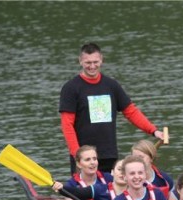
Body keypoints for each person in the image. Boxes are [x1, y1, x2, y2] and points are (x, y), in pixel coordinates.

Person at [59, 42, 166, 174]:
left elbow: (131, 112)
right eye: (88, 63)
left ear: (101, 60)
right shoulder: (70, 88)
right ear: (80, 61)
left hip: (108, 154)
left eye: (95, 62)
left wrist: (154, 131)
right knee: (85, 193)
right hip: (84, 158)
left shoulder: (111, 85)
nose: (92, 66)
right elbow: (67, 125)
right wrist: (77, 154)